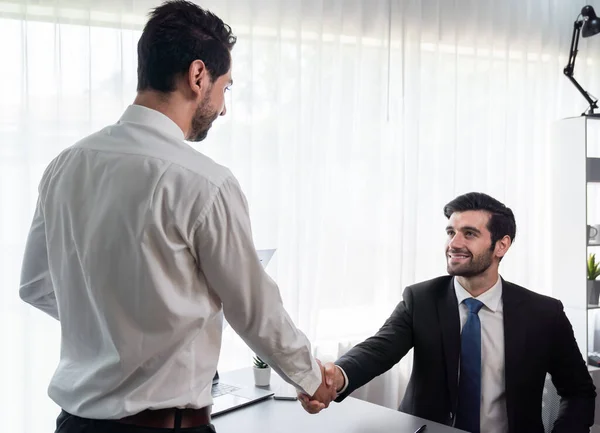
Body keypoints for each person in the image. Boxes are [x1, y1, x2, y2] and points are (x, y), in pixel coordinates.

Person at [19, 1, 335, 432]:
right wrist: (313, 378)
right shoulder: (205, 182)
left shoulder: (64, 166)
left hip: (74, 424)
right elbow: (254, 309)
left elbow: (36, 286)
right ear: (198, 75)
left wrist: (114, 329)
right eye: (225, 88)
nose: (222, 108)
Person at [299, 192, 596, 433]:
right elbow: (380, 349)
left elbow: (579, 391)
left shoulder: (544, 313)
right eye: (451, 232)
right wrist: (336, 376)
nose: (454, 244)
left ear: (501, 246)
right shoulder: (421, 299)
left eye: (469, 234)